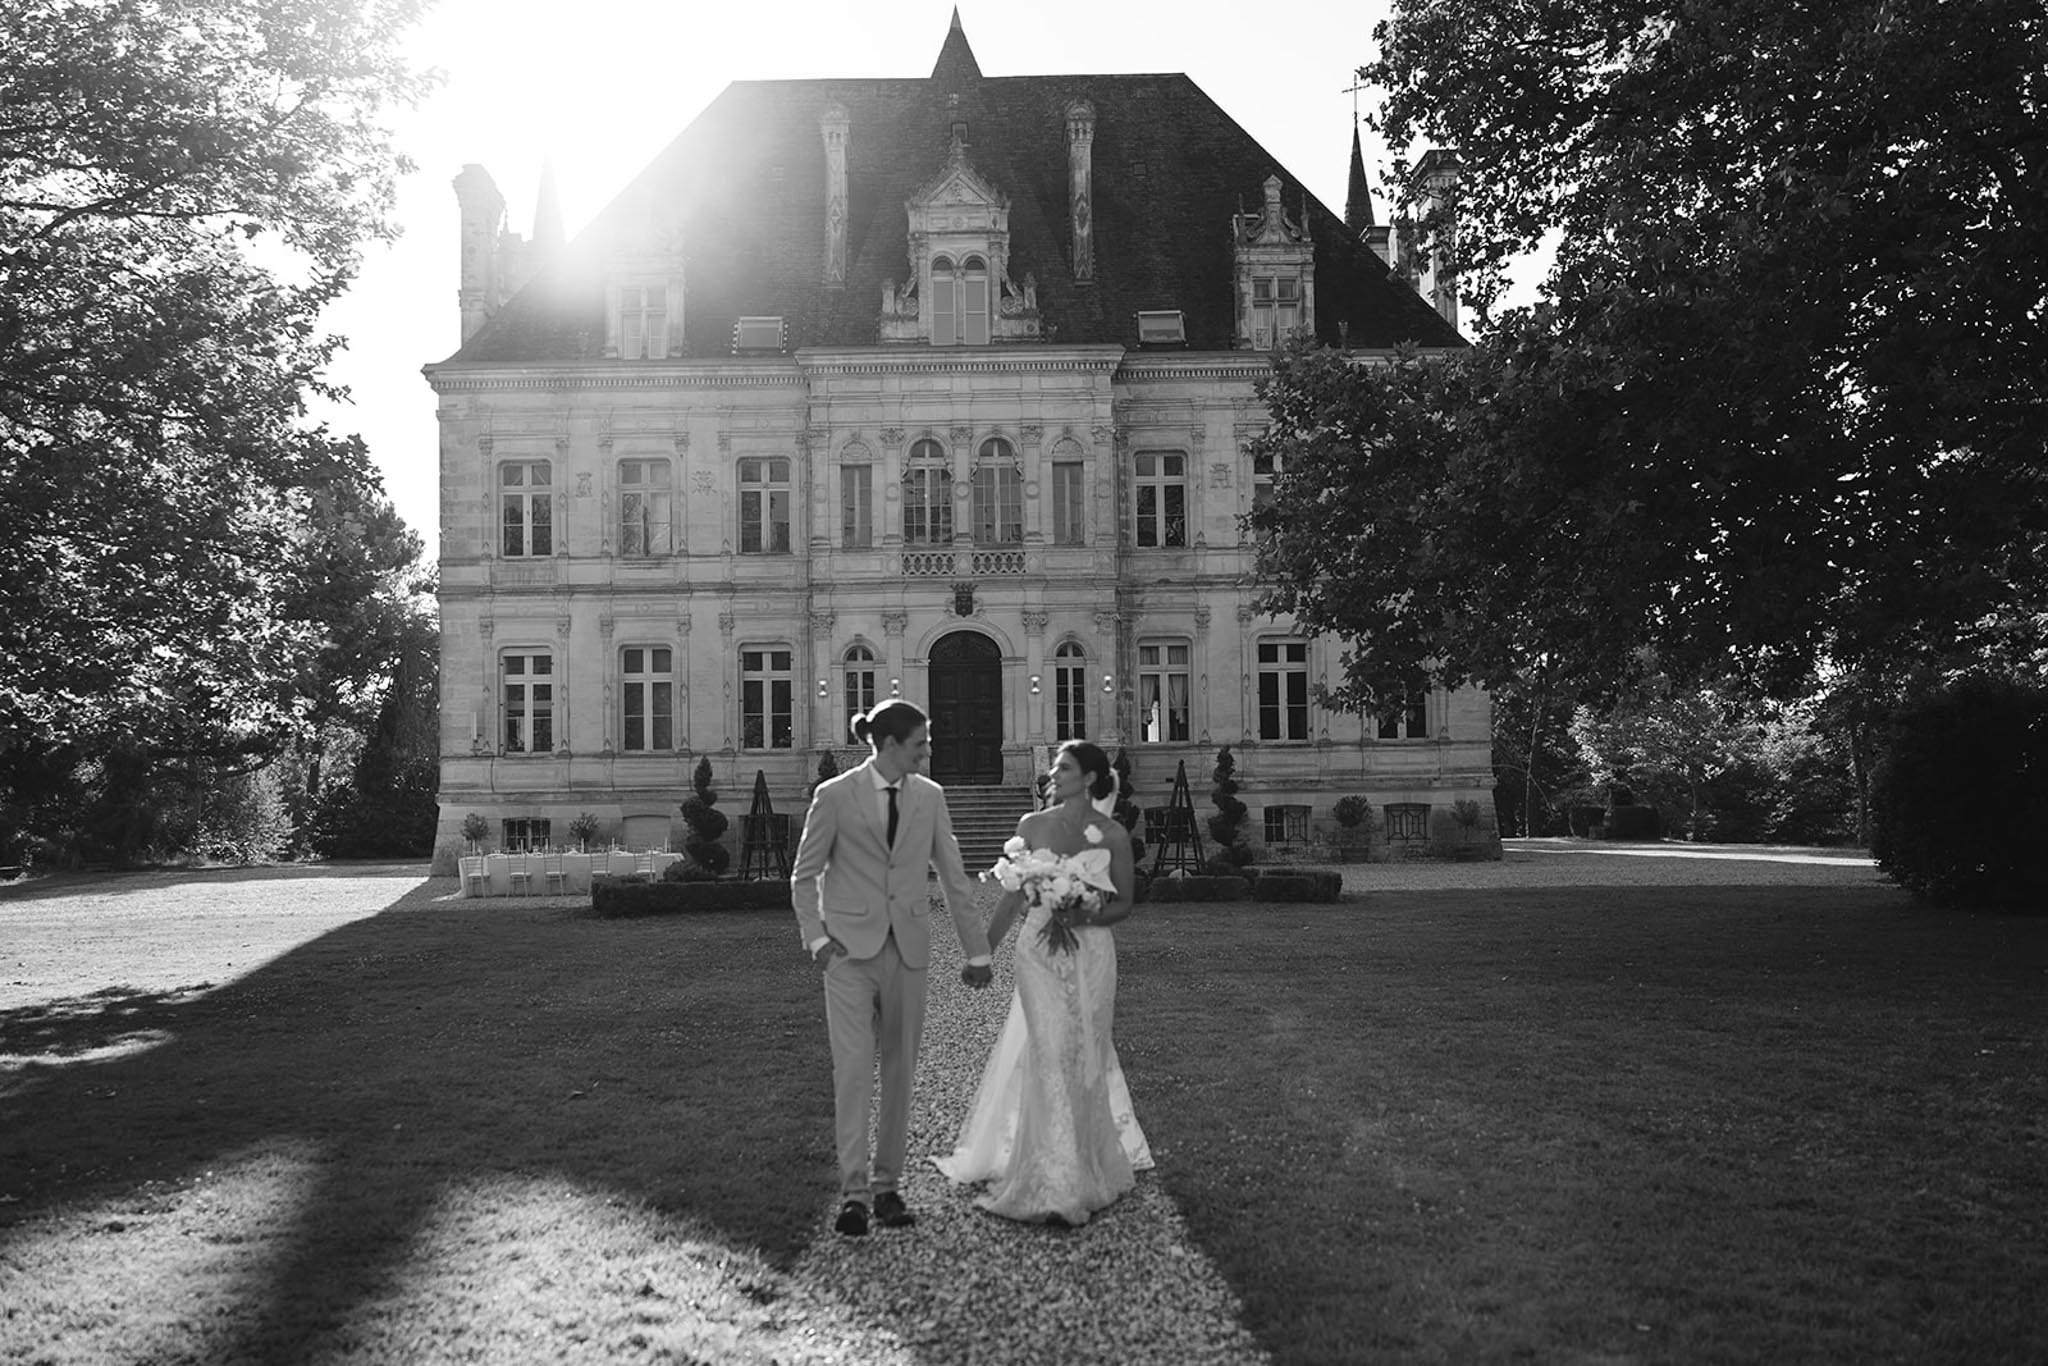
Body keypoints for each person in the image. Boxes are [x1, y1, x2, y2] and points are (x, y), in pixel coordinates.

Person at [791, 698, 994, 1238]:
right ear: (889, 745)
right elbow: (804, 874)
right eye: (921, 743)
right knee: (853, 1073)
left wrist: (977, 952)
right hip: (847, 957)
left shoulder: (931, 798)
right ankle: (853, 1195)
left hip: (908, 952)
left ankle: (888, 1188)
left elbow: (954, 877)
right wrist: (817, 940)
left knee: (900, 1076)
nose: (929, 752)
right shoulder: (833, 796)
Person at [934, 739, 1154, 1225]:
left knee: (1085, 1051)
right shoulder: (1031, 826)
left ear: (1090, 778)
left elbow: (1124, 905)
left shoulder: (1113, 834)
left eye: (1064, 767)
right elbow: (1013, 900)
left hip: (1091, 953)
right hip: (1037, 953)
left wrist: (1085, 912)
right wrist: (981, 953)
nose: (1053, 774)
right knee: (1049, 1051)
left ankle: (1086, 1163)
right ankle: (1049, 1173)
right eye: (1055, 767)